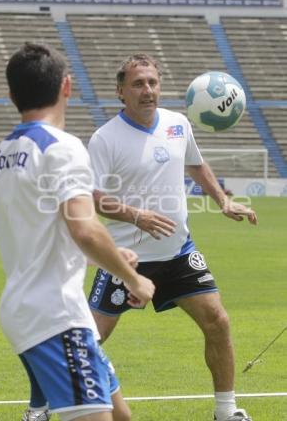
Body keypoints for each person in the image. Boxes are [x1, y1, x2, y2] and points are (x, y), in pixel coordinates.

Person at [87, 53, 257, 421]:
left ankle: (226, 412)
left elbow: (195, 164)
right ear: (120, 92)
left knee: (218, 321)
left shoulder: (179, 123)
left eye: (152, 82)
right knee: (86, 341)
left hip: (179, 252)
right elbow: (92, 197)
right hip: (126, 259)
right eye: (138, 84)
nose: (147, 90)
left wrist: (223, 201)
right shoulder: (105, 139)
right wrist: (136, 215)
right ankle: (42, 405)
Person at [0, 43, 155, 421]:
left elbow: (42, 231)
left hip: (35, 306)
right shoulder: (62, 148)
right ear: (67, 86)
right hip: (54, 313)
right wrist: (133, 278)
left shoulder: (7, 150)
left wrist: (113, 252)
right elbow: (83, 228)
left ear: (12, 94)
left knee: (120, 415)